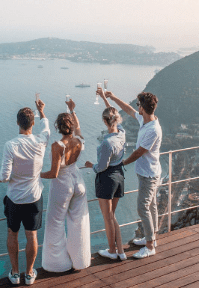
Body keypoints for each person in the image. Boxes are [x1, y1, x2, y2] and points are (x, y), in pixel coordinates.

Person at [104, 90, 162, 259]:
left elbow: (138, 153)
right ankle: (151, 238)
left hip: (149, 175)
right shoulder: (146, 121)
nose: (137, 108)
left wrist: (120, 163)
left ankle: (150, 246)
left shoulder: (153, 129)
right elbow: (128, 110)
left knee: (142, 207)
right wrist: (113, 97)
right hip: (148, 172)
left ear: (143, 108)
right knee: (151, 206)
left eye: (139, 105)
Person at [0, 99, 49, 285]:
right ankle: (29, 274)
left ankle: (14, 273)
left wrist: (14, 175)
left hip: (14, 199)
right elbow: (47, 129)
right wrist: (42, 111)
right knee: (32, 236)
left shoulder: (10, 145)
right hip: (34, 197)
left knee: (13, 234)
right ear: (32, 123)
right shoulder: (41, 141)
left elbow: (4, 176)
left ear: (18, 123)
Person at [40, 99, 91, 272]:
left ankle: (58, 265)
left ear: (58, 127)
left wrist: (36, 174)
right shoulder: (78, 141)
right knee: (79, 222)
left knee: (55, 223)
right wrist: (72, 110)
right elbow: (78, 128)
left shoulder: (57, 146)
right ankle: (80, 261)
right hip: (78, 182)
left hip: (62, 185)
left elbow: (53, 173)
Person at [85, 88, 127, 261]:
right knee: (112, 216)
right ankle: (121, 251)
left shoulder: (106, 143)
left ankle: (112, 251)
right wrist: (104, 98)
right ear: (116, 120)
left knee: (107, 217)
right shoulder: (122, 133)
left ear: (104, 121)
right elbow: (113, 116)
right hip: (120, 177)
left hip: (107, 179)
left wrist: (91, 166)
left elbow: (101, 167)